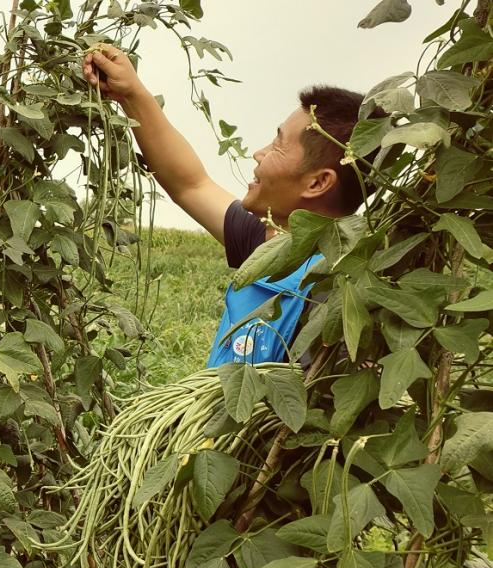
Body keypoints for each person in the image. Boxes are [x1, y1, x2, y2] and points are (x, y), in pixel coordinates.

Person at [84, 48, 384, 366]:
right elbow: (190, 184)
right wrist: (130, 93)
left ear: (317, 183)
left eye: (278, 145)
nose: (259, 153)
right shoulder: (267, 242)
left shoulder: (335, 296)